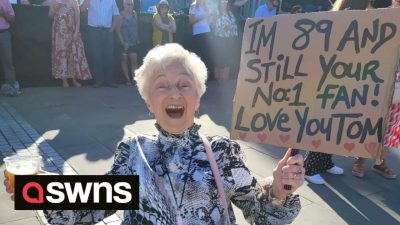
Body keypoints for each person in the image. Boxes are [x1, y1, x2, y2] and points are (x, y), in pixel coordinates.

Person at [4, 43, 305, 224]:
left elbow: (259, 212)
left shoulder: (223, 152)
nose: (174, 92)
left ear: (198, 97)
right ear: (149, 100)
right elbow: (92, 207)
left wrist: (279, 190)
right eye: (162, 85)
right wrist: (41, 190)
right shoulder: (133, 151)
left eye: (184, 84)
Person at [349, 0, 397, 179]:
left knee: (390, 125)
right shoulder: (383, 15)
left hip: (397, 79)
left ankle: (380, 161)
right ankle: (359, 160)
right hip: (378, 76)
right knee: (371, 121)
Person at [49, 0, 92, 87]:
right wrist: (55, 8)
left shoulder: (74, 2)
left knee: (72, 54)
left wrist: (76, 31)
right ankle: (64, 80)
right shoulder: (55, 1)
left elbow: (78, 18)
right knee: (62, 55)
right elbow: (50, 16)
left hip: (71, 32)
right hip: (59, 34)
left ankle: (74, 79)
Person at [80, 0, 120, 88]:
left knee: (109, 55)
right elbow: (82, 9)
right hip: (94, 30)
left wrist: (112, 29)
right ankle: (98, 80)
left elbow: (116, 15)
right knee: (96, 56)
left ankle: (109, 80)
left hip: (107, 30)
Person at [213, 0, 238, 84]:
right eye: (223, 2)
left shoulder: (230, 13)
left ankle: (225, 80)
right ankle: (219, 79)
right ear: (219, 3)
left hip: (230, 39)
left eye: (226, 2)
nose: (224, 4)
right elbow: (214, 26)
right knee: (219, 60)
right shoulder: (216, 13)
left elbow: (234, 25)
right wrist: (224, 28)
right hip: (219, 39)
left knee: (227, 60)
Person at [0, 0, 21, 97]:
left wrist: (3, 13)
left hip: (4, 33)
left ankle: (11, 85)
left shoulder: (5, 2)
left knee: (7, 60)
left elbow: (12, 19)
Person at [116, 0, 139, 86]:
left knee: (134, 60)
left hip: (133, 41)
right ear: (124, 5)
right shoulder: (120, 15)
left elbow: (136, 27)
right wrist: (122, 42)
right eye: (128, 4)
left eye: (131, 4)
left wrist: (137, 37)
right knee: (124, 60)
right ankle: (127, 79)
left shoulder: (134, 14)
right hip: (123, 42)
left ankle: (134, 79)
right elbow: (118, 31)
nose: (130, 6)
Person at [189, 0, 213, 71]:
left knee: (206, 56)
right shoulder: (193, 6)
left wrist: (209, 22)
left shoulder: (207, 6)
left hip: (207, 33)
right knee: (198, 56)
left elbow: (209, 19)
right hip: (198, 35)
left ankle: (205, 76)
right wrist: (204, 16)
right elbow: (191, 21)